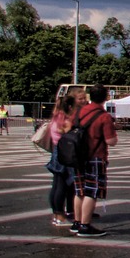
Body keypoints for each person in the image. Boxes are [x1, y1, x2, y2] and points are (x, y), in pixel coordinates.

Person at [72, 84, 119, 237]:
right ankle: (85, 226)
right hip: (95, 157)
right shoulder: (103, 116)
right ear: (106, 97)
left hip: (77, 157)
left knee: (79, 191)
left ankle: (77, 222)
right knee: (91, 192)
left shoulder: (79, 112)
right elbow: (111, 141)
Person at [46, 92, 78, 227]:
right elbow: (70, 136)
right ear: (70, 107)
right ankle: (60, 216)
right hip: (64, 153)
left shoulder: (56, 118)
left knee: (56, 185)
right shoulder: (65, 121)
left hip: (56, 152)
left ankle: (56, 215)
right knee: (62, 186)